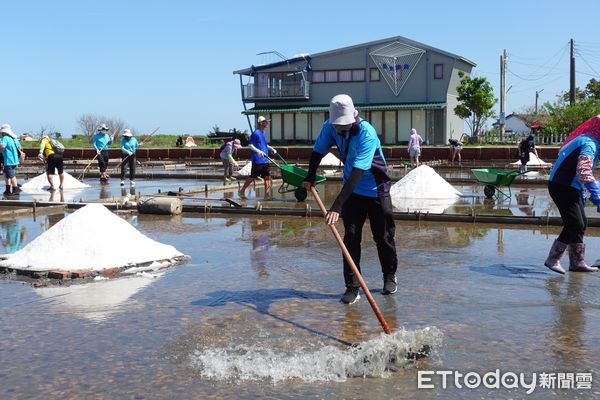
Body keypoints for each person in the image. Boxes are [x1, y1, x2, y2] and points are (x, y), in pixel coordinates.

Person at [302, 94, 398, 305]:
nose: (338, 129)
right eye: (336, 126)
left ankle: (389, 276)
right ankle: (352, 287)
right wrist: (310, 176)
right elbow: (317, 152)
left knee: (383, 237)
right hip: (353, 192)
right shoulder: (330, 127)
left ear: (353, 118)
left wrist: (337, 205)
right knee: (350, 237)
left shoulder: (367, 134)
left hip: (375, 190)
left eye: (342, 126)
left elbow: (357, 172)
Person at [544, 115, 600, 274]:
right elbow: (583, 171)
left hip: (571, 186)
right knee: (575, 223)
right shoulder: (590, 144)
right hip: (562, 185)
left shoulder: (590, 140)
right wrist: (597, 197)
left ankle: (577, 262)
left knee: (581, 224)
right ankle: (553, 258)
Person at [238, 116, 277, 200]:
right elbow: (250, 145)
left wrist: (271, 148)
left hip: (265, 159)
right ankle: (241, 191)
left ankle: (266, 195)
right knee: (253, 177)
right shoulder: (255, 133)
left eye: (267, 122)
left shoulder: (263, 133)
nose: (267, 124)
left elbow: (264, 145)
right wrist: (258, 151)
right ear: (261, 123)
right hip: (257, 160)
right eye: (265, 122)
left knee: (267, 177)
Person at [0, 124, 24, 196]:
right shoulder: (12, 138)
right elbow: (19, 147)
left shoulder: (5, 138)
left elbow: (3, 147)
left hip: (8, 160)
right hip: (13, 160)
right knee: (7, 175)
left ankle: (15, 189)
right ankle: (8, 190)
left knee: (11, 175)